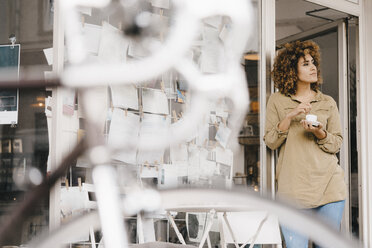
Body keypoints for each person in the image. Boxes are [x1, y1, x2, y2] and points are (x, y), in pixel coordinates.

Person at [264, 40, 347, 248]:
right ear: (291, 70)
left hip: (329, 188)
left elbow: (336, 143)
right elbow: (271, 142)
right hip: (292, 191)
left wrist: (320, 132)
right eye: (305, 64)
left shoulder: (327, 102)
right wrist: (290, 116)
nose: (313, 68)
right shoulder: (277, 101)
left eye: (313, 62)